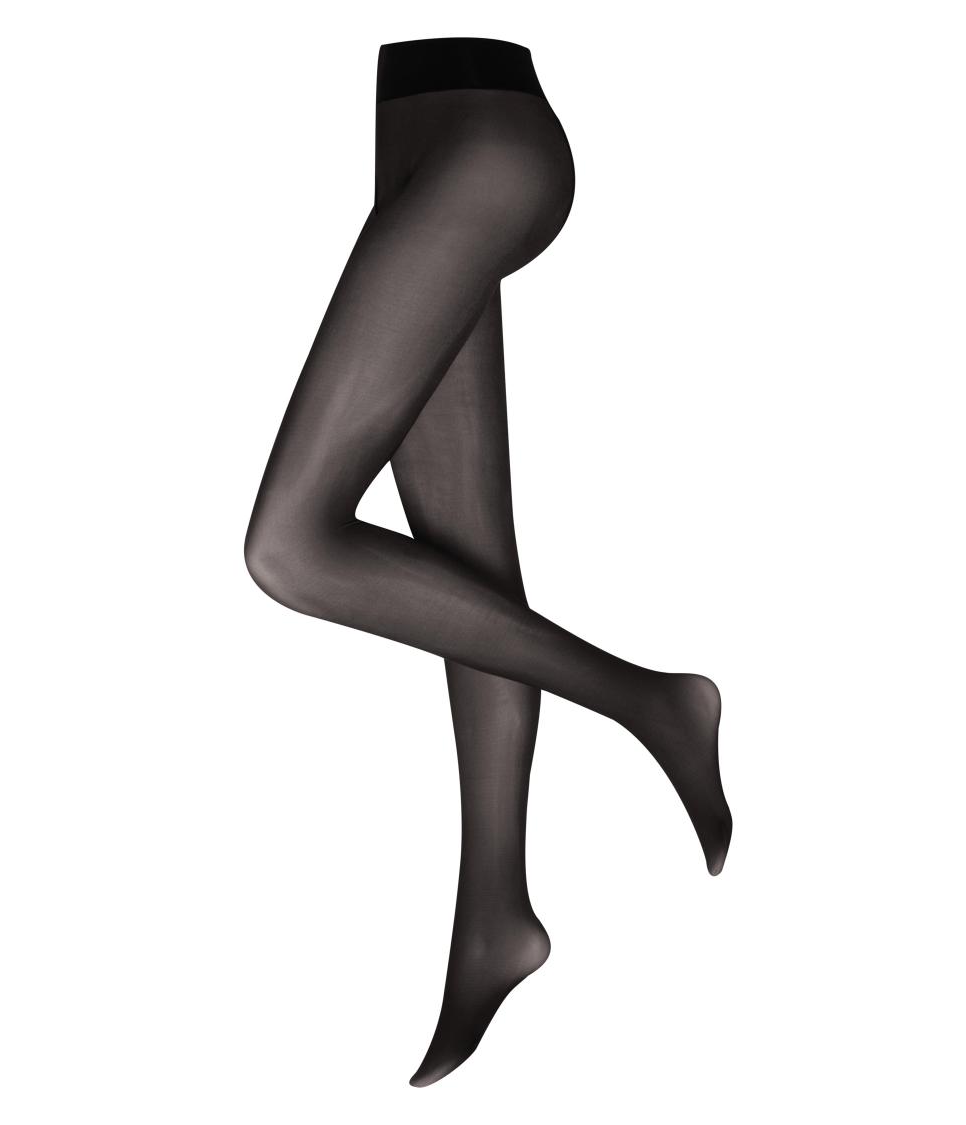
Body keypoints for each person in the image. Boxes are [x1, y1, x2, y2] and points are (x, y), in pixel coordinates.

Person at [246, 37, 731, 1086]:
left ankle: (654, 703)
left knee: (289, 547)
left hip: (483, 152)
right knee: (468, 583)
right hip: (429, 144)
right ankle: (494, 916)